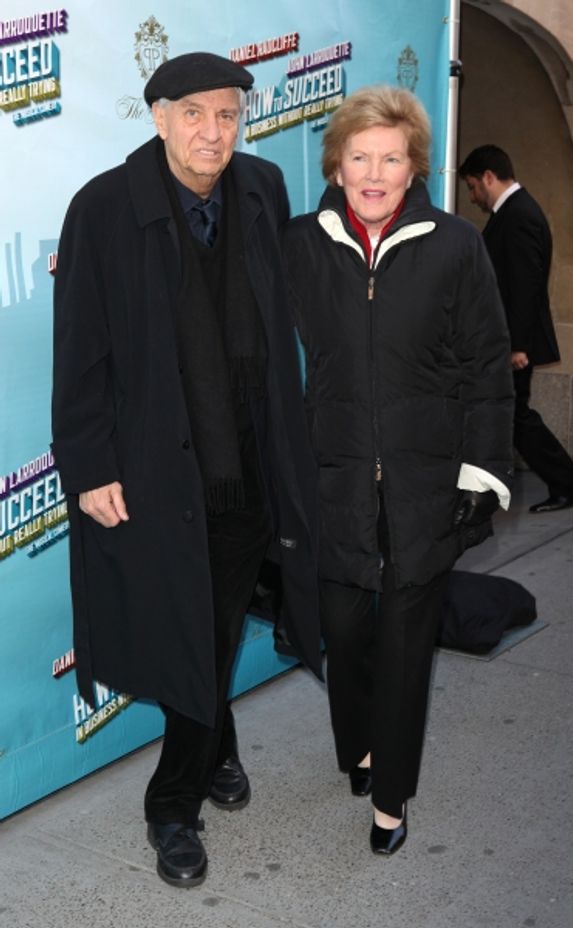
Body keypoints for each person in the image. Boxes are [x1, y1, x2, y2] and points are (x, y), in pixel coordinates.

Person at [52, 52, 322, 888]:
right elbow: (80, 353)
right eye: (195, 114)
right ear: (160, 116)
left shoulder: (264, 187)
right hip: (156, 470)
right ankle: (176, 804)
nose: (214, 132)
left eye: (229, 115)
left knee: (216, 618)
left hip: (248, 461)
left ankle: (202, 761)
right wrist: (89, 464)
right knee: (191, 627)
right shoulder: (102, 207)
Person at [284, 86, 514, 855]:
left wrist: (479, 476)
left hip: (425, 485)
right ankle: (360, 747)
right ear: (337, 164)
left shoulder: (456, 246)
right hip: (335, 479)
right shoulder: (301, 244)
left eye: (390, 157)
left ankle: (391, 798)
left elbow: (487, 367)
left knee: (408, 643)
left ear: (415, 166)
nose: (373, 173)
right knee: (344, 634)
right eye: (359, 157)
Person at [458, 144, 573, 513]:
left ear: (488, 177)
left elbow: (525, 285)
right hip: (507, 339)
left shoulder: (519, 215)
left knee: (517, 416)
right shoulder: (515, 213)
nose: (473, 197)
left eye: (472, 187)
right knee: (514, 415)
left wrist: (517, 345)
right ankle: (564, 483)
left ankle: (569, 484)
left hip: (513, 343)